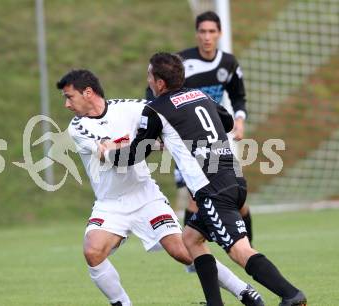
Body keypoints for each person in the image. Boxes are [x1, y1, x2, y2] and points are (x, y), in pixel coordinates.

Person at [100, 53, 307, 306]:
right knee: (191, 239)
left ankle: (291, 295)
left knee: (239, 251)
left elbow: (135, 154)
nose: (148, 80)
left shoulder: (155, 109)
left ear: (160, 83)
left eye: (149, 76)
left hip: (213, 190)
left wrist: (108, 153)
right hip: (233, 177)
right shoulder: (201, 95)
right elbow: (228, 122)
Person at [57, 69, 264, 306]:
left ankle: (245, 292)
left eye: (69, 97)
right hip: (110, 204)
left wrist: (164, 137)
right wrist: (152, 142)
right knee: (93, 251)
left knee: (183, 251)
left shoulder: (130, 107)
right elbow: (108, 154)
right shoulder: (77, 127)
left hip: (146, 197)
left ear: (88, 92)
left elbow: (165, 115)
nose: (66, 104)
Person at [146, 11, 253, 243]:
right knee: (194, 197)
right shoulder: (181, 63)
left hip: (217, 136)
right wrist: (159, 126)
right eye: (202, 31)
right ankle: (193, 253)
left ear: (220, 34)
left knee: (239, 199)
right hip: (188, 140)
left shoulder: (228, 63)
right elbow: (155, 91)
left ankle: (246, 246)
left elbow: (238, 96)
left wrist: (240, 121)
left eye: (212, 31)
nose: (207, 37)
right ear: (196, 34)